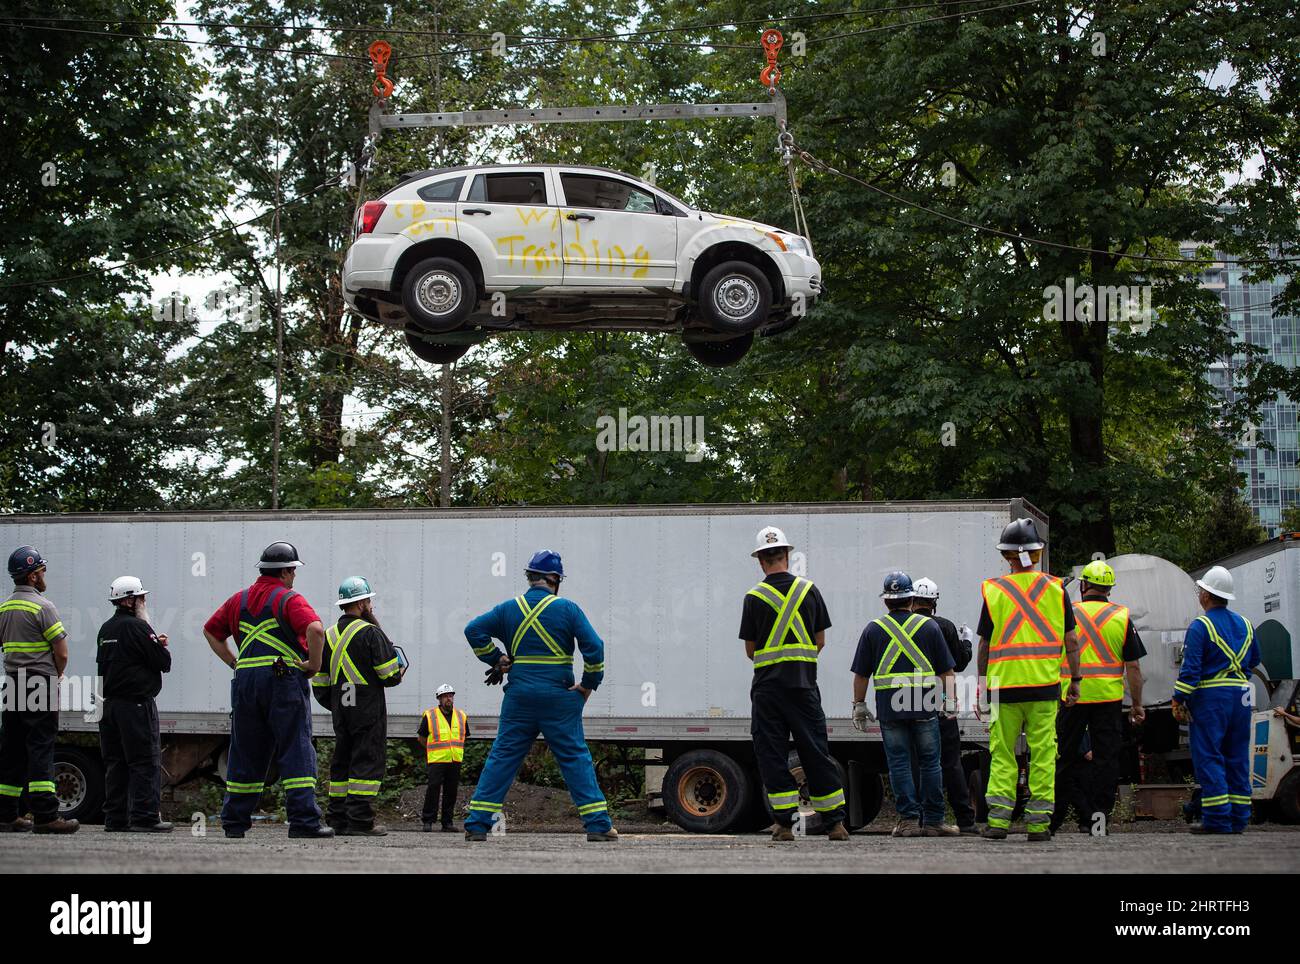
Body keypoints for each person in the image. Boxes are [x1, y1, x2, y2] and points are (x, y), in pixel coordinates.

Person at [462, 550, 615, 842]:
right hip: (559, 698)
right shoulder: (568, 609)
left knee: (503, 756)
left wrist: (496, 658)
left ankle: (478, 824)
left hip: (519, 697)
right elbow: (594, 648)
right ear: (555, 579)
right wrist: (587, 685)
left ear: (530, 577)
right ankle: (597, 825)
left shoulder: (508, 609)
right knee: (574, 757)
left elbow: (473, 630)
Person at [203, 541, 332, 839]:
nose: (294, 577)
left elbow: (210, 630)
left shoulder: (238, 600)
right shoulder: (289, 599)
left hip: (246, 682)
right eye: (294, 572)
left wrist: (234, 662)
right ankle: (304, 822)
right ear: (286, 572)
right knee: (295, 747)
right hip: (282, 679)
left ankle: (234, 822)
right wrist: (313, 665)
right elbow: (315, 629)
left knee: (245, 751)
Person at [976, 518, 1081, 841]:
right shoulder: (1056, 589)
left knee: (1003, 753)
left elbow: (985, 644)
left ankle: (998, 823)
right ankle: (1038, 825)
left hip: (1004, 688)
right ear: (1038, 553)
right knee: (1044, 754)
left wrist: (982, 684)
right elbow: (1072, 641)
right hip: (1045, 688)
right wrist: (1074, 679)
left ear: (1007, 557)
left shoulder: (994, 591)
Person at [742, 525, 849, 841]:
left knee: (772, 754)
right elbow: (820, 640)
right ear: (787, 555)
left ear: (761, 560)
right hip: (803, 686)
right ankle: (836, 824)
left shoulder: (753, 598)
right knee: (815, 751)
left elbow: (751, 650)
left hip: (768, 690)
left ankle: (785, 826)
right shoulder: (810, 591)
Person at [852, 571, 956, 837]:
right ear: (911, 598)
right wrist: (950, 701)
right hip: (923, 704)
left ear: (886, 601)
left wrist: (859, 705)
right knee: (930, 763)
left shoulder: (873, 629)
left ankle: (909, 821)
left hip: (890, 707)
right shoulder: (929, 627)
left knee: (899, 763)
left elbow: (862, 675)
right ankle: (934, 821)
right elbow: (947, 672)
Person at [1052, 560, 1146, 835]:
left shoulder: (1066, 613)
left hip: (1072, 697)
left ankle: (1053, 821)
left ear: (1083, 586)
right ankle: (1097, 823)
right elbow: (1134, 668)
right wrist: (1137, 704)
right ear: (1108, 590)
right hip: (1108, 699)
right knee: (1106, 762)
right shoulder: (1122, 617)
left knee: (1065, 759)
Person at [311, 576, 404, 836]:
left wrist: (337, 705)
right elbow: (389, 675)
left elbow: (319, 682)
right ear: (361, 602)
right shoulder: (371, 632)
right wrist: (398, 671)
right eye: (369, 600)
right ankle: (361, 821)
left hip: (341, 708)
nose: (371, 605)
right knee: (367, 761)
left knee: (342, 762)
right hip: (367, 708)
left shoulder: (327, 635)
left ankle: (337, 820)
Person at [1172, 565, 1260, 835]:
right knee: (1237, 757)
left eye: (1201, 591)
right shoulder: (1246, 624)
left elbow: (1191, 670)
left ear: (1207, 596)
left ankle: (1217, 819)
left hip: (1212, 698)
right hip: (1242, 695)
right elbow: (1254, 660)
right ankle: (1239, 818)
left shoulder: (1202, 626)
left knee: (1209, 756)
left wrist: (1179, 698)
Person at [0, 546, 78, 833]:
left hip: (12, 684)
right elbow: (63, 652)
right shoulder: (43, 607)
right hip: (39, 683)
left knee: (12, 751)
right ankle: (46, 816)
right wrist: (55, 676)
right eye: (42, 571)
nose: (45, 575)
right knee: (41, 748)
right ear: (33, 576)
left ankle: (6, 815)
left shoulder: (5, 608)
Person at [96, 576, 173, 832]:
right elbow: (163, 662)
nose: (144, 601)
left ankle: (115, 819)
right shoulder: (139, 627)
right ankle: (145, 817)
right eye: (141, 597)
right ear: (129, 600)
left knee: (115, 762)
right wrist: (159, 645)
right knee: (144, 760)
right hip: (136, 706)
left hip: (108, 706)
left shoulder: (105, 629)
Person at [909, 576, 977, 834]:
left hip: (912, 701)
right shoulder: (946, 627)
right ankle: (965, 820)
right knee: (950, 761)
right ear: (934, 602)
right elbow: (958, 664)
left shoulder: (905, 626)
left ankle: (919, 818)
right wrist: (966, 642)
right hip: (941, 701)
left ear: (912, 600)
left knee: (918, 761)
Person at [419, 683, 468, 832]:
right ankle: (428, 821)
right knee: (433, 789)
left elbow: (464, 736)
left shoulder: (461, 716)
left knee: (451, 791)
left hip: (454, 759)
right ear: (439, 699)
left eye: (450, 696)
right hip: (437, 759)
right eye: (445, 696)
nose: (449, 699)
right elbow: (421, 738)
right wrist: (432, 750)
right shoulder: (430, 715)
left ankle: (447, 823)